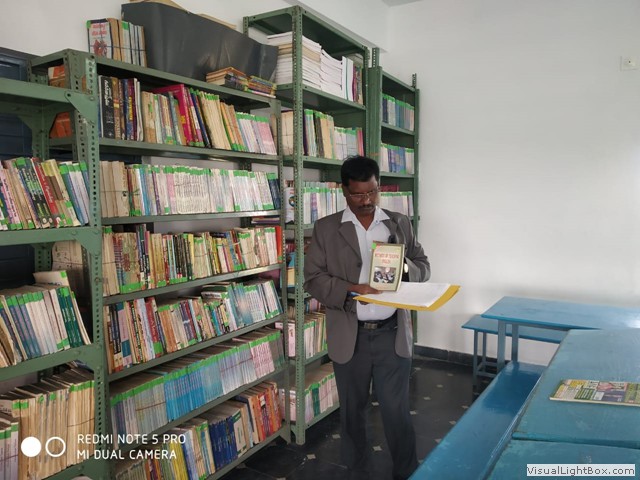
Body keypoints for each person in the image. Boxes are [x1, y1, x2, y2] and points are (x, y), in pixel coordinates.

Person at [304, 156, 430, 480]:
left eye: (372, 192)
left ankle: (407, 472)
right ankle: (357, 471)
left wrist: (403, 268)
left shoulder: (398, 223)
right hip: (351, 337)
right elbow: (313, 279)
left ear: (378, 187)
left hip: (392, 334)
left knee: (396, 412)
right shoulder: (326, 228)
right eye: (358, 194)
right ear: (344, 191)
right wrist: (351, 289)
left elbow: (423, 265)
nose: (366, 201)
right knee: (352, 414)